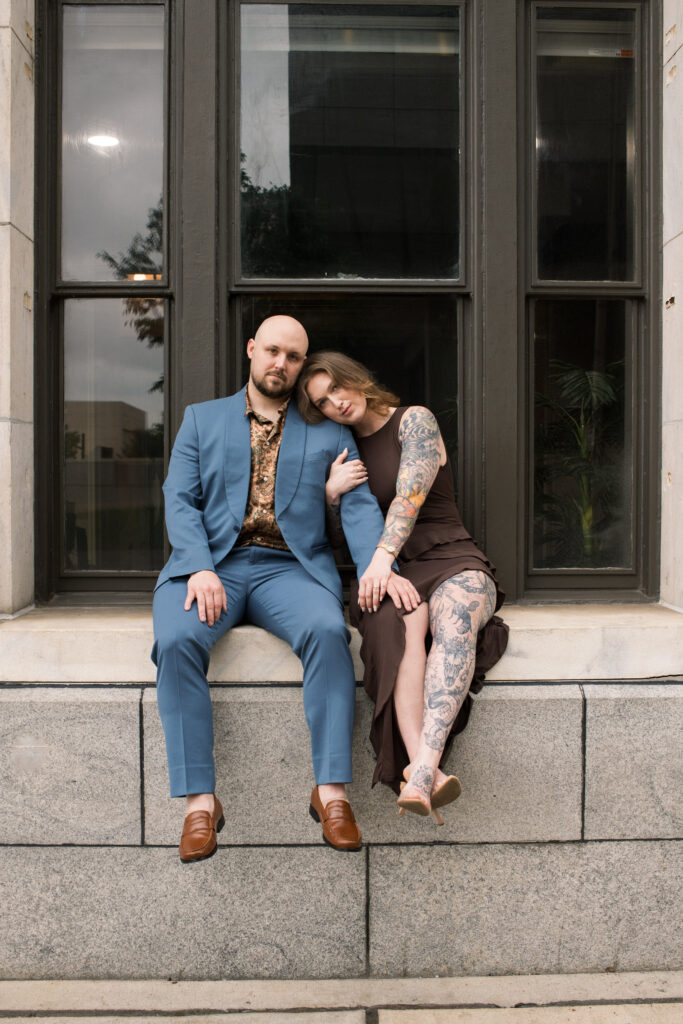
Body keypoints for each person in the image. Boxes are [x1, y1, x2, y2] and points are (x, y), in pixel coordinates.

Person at [151, 316, 419, 860]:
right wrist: (199, 566)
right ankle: (200, 804)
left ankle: (331, 793)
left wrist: (378, 567)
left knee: (327, 631)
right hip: (213, 567)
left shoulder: (327, 428)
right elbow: (179, 499)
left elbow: (361, 504)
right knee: (177, 640)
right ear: (252, 350)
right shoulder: (201, 420)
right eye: (273, 351)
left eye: (293, 357)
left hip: (290, 568)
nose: (282, 364)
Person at [297, 352, 509, 822]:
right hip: (386, 573)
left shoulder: (414, 421)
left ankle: (422, 769)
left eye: (337, 388)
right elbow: (330, 535)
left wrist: (380, 561)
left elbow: (409, 497)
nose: (336, 403)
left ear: (357, 379)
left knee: (453, 619)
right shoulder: (341, 448)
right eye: (323, 402)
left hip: (449, 555)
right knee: (403, 628)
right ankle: (424, 774)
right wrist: (330, 494)